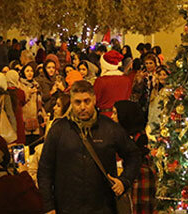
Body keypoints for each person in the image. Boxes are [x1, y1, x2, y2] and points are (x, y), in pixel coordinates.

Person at [38, 80, 142, 214]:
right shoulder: (59, 129)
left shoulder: (110, 128)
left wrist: (124, 181)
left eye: (86, 101)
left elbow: (134, 155)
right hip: (66, 207)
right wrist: (48, 206)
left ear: (94, 100)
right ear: (71, 102)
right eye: (78, 102)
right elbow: (45, 170)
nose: (82, 107)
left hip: (103, 207)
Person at [113, 100, 155, 214]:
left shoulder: (139, 140)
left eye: (115, 113)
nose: (112, 117)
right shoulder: (125, 136)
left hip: (140, 180)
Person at [94, 50, 132, 118]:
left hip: (105, 116)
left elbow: (95, 100)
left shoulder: (100, 81)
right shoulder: (126, 79)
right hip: (122, 116)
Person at [20, 62, 45, 144]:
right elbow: (21, 101)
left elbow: (39, 102)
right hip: (25, 118)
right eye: (27, 71)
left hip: (35, 119)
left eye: (31, 71)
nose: (30, 73)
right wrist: (29, 93)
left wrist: (43, 115)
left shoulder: (36, 85)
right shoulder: (20, 85)